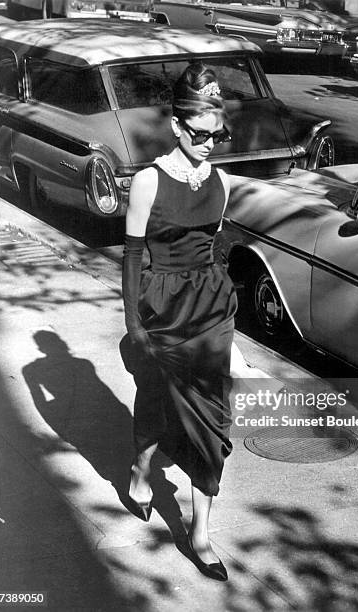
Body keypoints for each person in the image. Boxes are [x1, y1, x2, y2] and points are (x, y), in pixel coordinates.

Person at [121, 62, 236, 582]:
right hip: (162, 312)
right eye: (200, 133)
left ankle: (201, 533)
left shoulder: (223, 182)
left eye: (218, 134)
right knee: (160, 404)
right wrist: (136, 326)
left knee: (211, 418)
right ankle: (141, 470)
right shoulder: (147, 182)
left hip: (210, 310)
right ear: (176, 126)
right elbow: (131, 258)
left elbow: (216, 250)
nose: (210, 142)